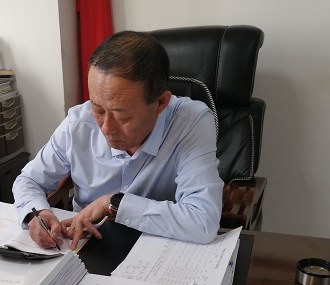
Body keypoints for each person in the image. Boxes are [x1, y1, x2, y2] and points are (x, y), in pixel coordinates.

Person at [12, 30, 223, 250]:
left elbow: (203, 222)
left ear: (160, 103)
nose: (106, 128)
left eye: (122, 116)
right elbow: (29, 180)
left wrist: (113, 203)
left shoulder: (190, 123)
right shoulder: (78, 124)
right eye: (97, 109)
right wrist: (37, 213)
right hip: (82, 244)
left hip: (155, 247)